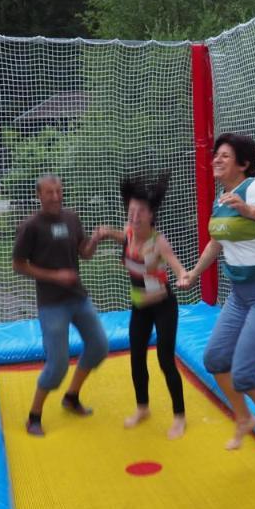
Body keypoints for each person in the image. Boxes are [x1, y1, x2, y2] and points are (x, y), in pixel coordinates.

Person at [178, 134, 255, 468]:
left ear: (243, 164)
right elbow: (216, 243)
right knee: (216, 359)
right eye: (216, 155)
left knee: (246, 373)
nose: (216, 160)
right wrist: (193, 273)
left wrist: (249, 209)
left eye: (225, 156)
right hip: (242, 293)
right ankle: (244, 418)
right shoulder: (223, 198)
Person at [88, 173, 188, 439]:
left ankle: (179, 416)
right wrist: (107, 233)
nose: (134, 215)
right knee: (136, 358)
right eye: (131, 210)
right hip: (140, 306)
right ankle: (142, 408)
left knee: (165, 360)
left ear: (151, 214)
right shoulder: (130, 231)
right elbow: (124, 237)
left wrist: (183, 277)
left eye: (140, 211)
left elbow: (178, 267)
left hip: (164, 305)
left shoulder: (159, 242)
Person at [12, 174, 109, 437]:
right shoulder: (31, 226)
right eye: (49, 192)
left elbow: (84, 254)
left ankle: (71, 396)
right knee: (58, 364)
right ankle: (34, 415)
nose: (55, 197)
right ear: (39, 196)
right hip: (52, 305)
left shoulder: (71, 218)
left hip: (78, 298)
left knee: (100, 347)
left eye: (58, 191)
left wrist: (96, 239)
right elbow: (18, 265)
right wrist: (54, 276)